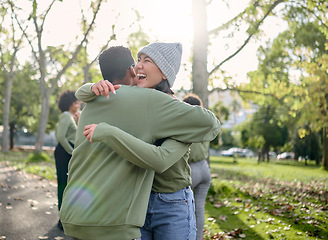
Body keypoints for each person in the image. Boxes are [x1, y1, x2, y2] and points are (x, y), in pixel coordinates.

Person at [60, 45, 220, 240]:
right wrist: (92, 88)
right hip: (134, 203)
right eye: (138, 59)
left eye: (147, 61)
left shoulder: (177, 112)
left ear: (164, 72)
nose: (138, 66)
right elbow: (89, 96)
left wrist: (108, 132)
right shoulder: (132, 98)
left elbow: (161, 159)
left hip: (171, 201)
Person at [183, 93, 212, 240]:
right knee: (199, 209)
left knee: (182, 210)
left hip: (190, 170)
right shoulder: (206, 124)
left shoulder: (185, 125)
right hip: (204, 169)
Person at [54, 90, 80, 230]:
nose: (79, 104)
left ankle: (67, 218)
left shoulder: (70, 117)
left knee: (69, 185)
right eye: (76, 102)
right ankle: (62, 220)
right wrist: (72, 152)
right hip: (64, 153)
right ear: (70, 104)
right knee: (63, 185)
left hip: (67, 152)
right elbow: (61, 137)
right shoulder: (65, 116)